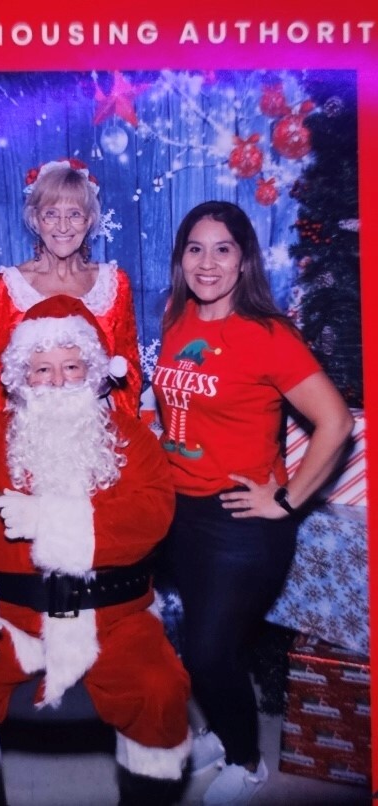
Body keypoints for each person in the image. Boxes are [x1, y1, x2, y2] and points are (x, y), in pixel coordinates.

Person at [0, 295, 192, 806]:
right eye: (41, 368)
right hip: (11, 617)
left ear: (93, 372)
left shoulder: (132, 438)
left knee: (159, 690)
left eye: (71, 366)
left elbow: (152, 517)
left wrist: (48, 520)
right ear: (20, 377)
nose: (58, 380)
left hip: (117, 617)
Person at [152, 201, 354, 805]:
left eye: (222, 249)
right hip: (180, 513)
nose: (207, 262)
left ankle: (248, 761)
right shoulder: (176, 314)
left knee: (210, 648)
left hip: (242, 520)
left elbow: (335, 422)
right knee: (199, 643)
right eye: (195, 248)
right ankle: (219, 731)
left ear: (243, 262)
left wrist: (288, 500)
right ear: (181, 258)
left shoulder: (268, 336)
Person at [0, 157, 142, 424]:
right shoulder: (7, 287)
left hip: (94, 430)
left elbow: (130, 371)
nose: (62, 226)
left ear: (90, 219)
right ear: (36, 219)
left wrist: (117, 432)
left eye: (74, 214)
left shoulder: (115, 283)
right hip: (25, 431)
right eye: (51, 214)